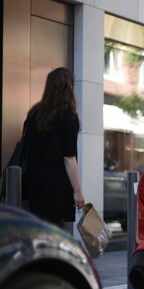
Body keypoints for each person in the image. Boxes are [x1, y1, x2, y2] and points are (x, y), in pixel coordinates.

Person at [23, 67, 84, 232]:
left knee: (38, 229)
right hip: (56, 186)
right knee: (54, 232)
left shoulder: (34, 113)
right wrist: (78, 192)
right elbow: (69, 158)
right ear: (68, 88)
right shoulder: (69, 117)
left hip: (33, 181)